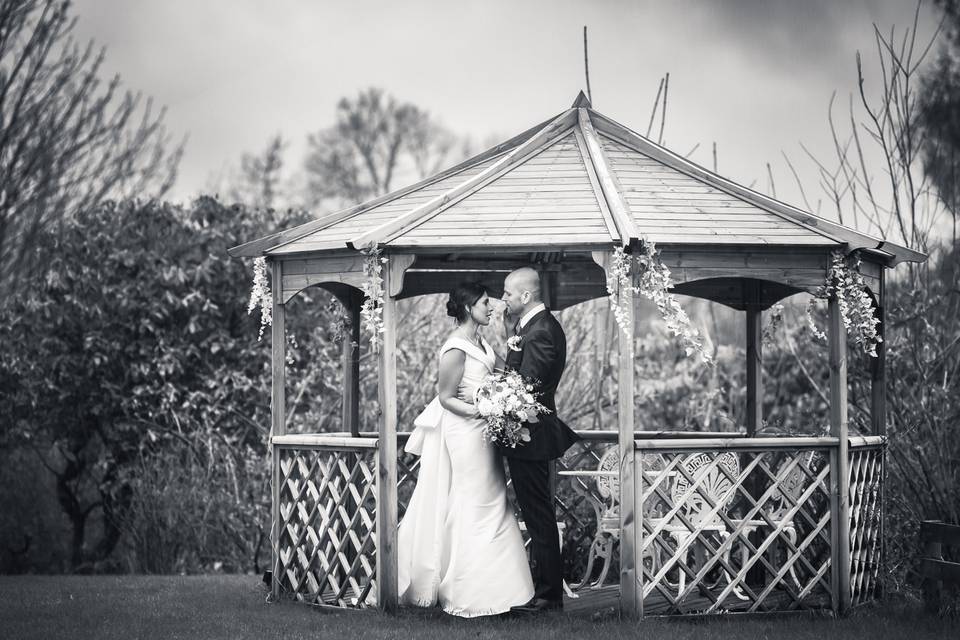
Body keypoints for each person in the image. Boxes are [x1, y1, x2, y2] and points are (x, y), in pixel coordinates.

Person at [397, 282, 534, 618]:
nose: (492, 308)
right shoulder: (455, 347)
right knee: (473, 501)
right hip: (466, 430)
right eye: (486, 303)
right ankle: (465, 590)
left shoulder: (482, 342)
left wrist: (507, 400)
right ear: (468, 306)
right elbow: (446, 398)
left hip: (485, 430)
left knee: (494, 499)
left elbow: (507, 373)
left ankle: (500, 589)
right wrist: (482, 410)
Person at [500, 267, 581, 613]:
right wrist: (510, 337)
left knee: (539, 516)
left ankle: (549, 596)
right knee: (537, 514)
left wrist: (498, 402)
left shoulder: (542, 331)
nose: (502, 299)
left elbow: (528, 389)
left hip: (531, 436)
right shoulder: (528, 328)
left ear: (526, 296)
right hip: (525, 436)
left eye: (506, 293)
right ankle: (544, 591)